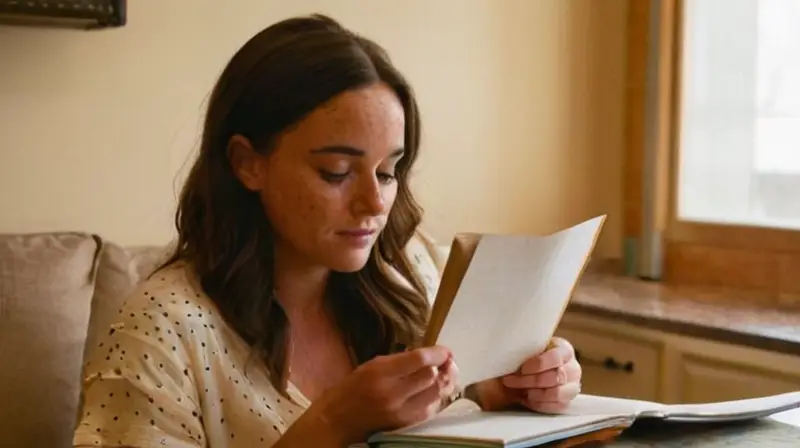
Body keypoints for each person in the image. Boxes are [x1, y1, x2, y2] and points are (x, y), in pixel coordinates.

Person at [73, 13, 582, 448]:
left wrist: (505, 386)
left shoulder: (412, 275)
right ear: (248, 163)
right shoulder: (164, 332)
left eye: (388, 173)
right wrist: (332, 424)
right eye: (336, 172)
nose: (375, 202)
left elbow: (467, 401)